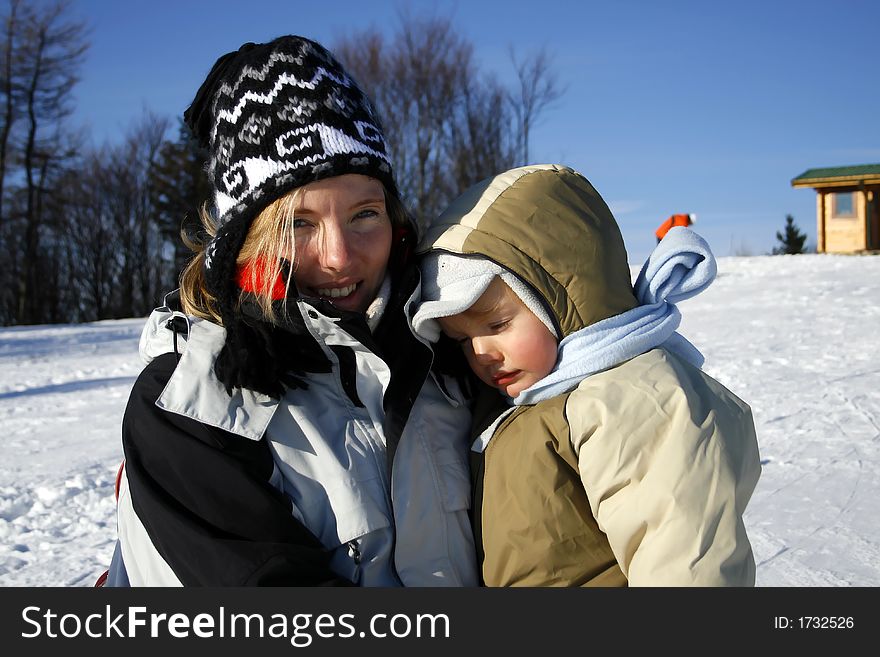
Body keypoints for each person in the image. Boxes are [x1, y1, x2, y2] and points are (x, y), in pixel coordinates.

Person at [102, 35, 478, 586]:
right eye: (298, 224)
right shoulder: (191, 406)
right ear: (245, 240)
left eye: (364, 214)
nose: (340, 257)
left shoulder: (450, 359)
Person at [411, 164, 761, 586]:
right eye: (462, 340)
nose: (481, 352)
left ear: (560, 296)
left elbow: (686, 564)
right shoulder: (525, 403)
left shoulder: (628, 398)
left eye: (497, 325)